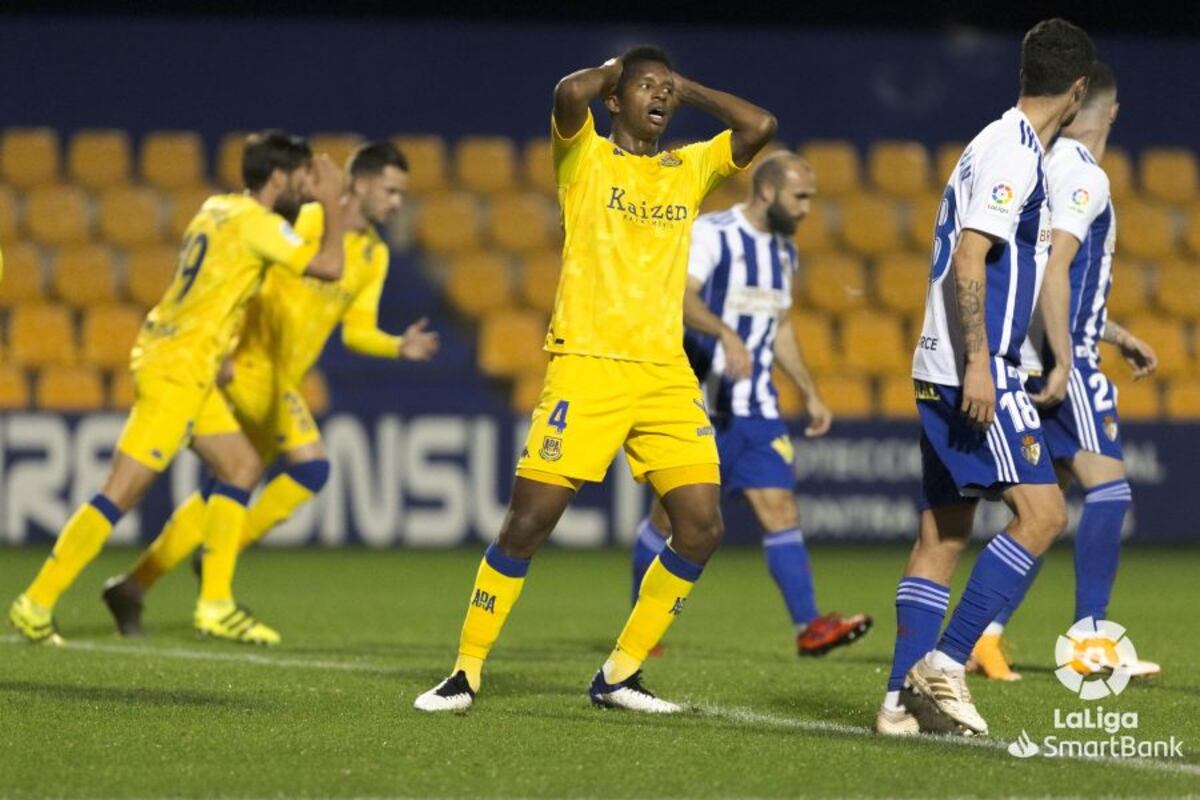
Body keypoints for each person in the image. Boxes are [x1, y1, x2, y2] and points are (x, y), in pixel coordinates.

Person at [414, 45, 776, 713]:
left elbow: (759, 127)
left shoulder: (687, 168)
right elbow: (565, 96)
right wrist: (616, 71)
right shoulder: (584, 160)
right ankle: (464, 671)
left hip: (665, 373)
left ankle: (619, 675)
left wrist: (684, 84)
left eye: (667, 90)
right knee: (528, 524)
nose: (661, 98)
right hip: (587, 366)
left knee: (700, 526)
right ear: (617, 99)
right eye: (648, 88)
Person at [8, 131, 345, 645]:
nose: (306, 184)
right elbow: (329, 266)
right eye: (301, 175)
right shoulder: (257, 224)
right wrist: (331, 203)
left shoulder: (215, 209)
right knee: (120, 492)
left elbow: (214, 285)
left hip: (189, 362)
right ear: (279, 175)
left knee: (241, 466)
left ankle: (215, 603)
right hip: (177, 371)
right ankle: (36, 601)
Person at [99, 141, 439, 641]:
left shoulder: (374, 255)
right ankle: (221, 569)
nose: (396, 203)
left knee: (223, 489)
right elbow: (244, 279)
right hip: (246, 368)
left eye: (400, 194)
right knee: (311, 466)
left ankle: (134, 586)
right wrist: (228, 349)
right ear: (359, 183)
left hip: (281, 379)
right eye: (389, 190)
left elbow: (355, 329)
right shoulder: (303, 224)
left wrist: (395, 346)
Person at [874, 19, 1095, 737]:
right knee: (1044, 515)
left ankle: (896, 705)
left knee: (943, 531)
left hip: (943, 362)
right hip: (976, 367)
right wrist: (979, 361)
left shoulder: (990, 139)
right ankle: (944, 665)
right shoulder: (1015, 155)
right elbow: (971, 258)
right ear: (1080, 89)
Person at [629, 152, 871, 657]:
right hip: (694, 402)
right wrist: (724, 334)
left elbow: (779, 324)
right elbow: (681, 298)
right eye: (799, 197)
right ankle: (640, 626)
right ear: (766, 191)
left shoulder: (785, 250)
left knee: (779, 509)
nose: (807, 208)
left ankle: (810, 628)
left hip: (758, 408)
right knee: (670, 521)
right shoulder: (711, 233)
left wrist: (808, 389)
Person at [969, 62, 1160, 681]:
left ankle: (985, 637)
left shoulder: (1045, 167)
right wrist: (1069, 355)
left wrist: (1115, 331)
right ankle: (1090, 640)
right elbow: (1055, 272)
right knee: (1110, 490)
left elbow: (1055, 276)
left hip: (1038, 352)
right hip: (1063, 358)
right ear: (1113, 110)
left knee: (1040, 512)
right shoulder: (1083, 175)